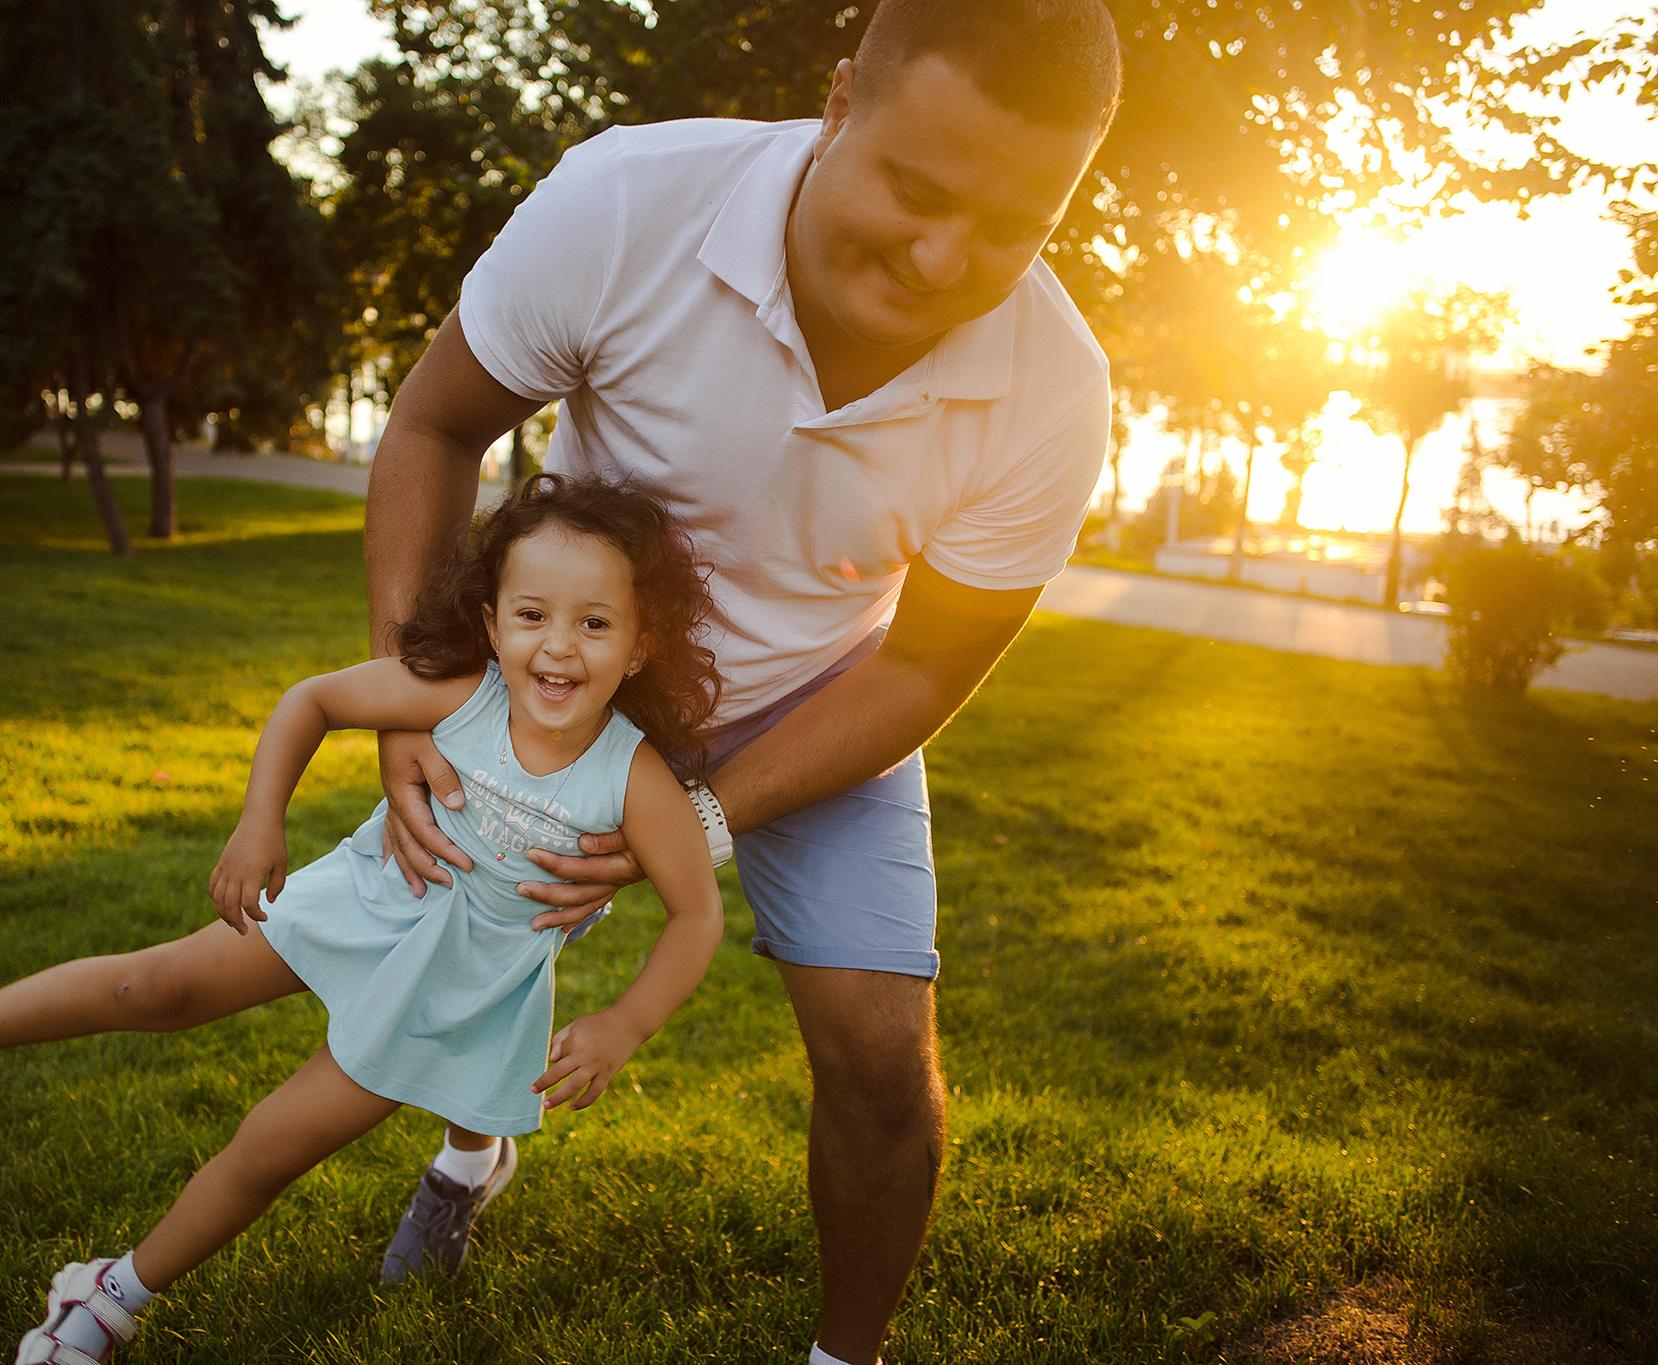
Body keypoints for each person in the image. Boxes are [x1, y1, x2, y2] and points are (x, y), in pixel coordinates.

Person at [360, 1, 1123, 1361]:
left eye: (1009, 229)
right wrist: (426, 699)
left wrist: (699, 823)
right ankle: (470, 1157)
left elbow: (935, 659)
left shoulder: (1055, 386)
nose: (943, 256)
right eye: (914, 187)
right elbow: (435, 424)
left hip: (826, 704)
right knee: (478, 957)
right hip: (589, 680)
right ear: (838, 104)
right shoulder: (626, 203)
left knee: (882, 1055)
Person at [0, 475, 727, 1364]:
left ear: (641, 643)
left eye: (594, 624)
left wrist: (624, 1023)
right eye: (533, 616)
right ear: (492, 620)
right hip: (368, 897)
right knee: (154, 984)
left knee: (274, 1140)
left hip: (451, 983)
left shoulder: (635, 779)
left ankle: (105, 1297)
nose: (558, 647)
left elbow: (695, 915)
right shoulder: (466, 692)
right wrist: (259, 820)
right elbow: (312, 701)